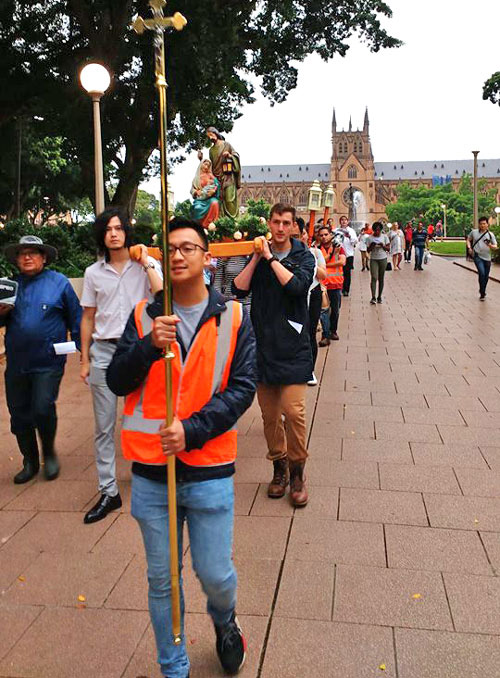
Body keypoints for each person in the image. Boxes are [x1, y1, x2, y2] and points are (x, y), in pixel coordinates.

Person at [107, 217, 256, 678]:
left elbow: (243, 387)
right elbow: (116, 380)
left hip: (209, 468)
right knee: (162, 579)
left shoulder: (234, 317)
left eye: (188, 247)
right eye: (169, 248)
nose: (177, 255)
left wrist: (192, 430)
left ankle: (225, 621)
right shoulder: (143, 317)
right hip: (153, 474)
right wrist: (149, 346)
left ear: (206, 257)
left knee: (215, 574)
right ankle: (174, 666)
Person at [80, 207, 163, 524]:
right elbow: (88, 316)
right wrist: (85, 359)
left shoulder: (142, 265)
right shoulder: (92, 273)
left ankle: (151, 478)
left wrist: (146, 262)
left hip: (137, 350)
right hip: (103, 350)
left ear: (127, 231)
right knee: (104, 426)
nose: (113, 233)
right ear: (101, 235)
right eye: (107, 229)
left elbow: (160, 293)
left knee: (143, 417)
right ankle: (108, 491)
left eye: (119, 228)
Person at [232, 203, 315, 507]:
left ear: (294, 226)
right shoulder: (260, 257)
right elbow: (238, 289)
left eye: (286, 223)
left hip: (293, 348)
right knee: (269, 417)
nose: (280, 228)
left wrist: (270, 258)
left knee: (293, 412)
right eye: (276, 222)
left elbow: (296, 287)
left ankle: (297, 472)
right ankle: (278, 467)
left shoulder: (303, 255)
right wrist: (256, 259)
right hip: (264, 347)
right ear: (269, 222)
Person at [0, 235, 81, 483]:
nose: (27, 257)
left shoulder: (59, 283)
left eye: (33, 252)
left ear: (43, 257)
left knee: (43, 406)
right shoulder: (9, 286)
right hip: (17, 363)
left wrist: (81, 349)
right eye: (22, 253)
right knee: (19, 412)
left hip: (48, 361)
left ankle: (49, 452)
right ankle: (30, 460)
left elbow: (76, 317)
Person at [297, 219, 326, 386]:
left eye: (302, 234)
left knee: (310, 332)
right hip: (295, 294)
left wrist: (309, 264)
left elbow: (323, 275)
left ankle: (309, 370)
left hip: (313, 293)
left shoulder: (315, 252)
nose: (300, 237)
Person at [204, 127, 241, 218]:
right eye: (208, 137)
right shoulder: (211, 150)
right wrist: (201, 159)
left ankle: (233, 222)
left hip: (228, 177)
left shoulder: (226, 145)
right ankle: (223, 223)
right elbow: (211, 165)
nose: (210, 138)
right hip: (217, 178)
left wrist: (229, 155)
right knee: (219, 201)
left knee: (229, 199)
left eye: (211, 135)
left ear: (215, 133)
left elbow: (236, 155)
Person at [317, 226, 346, 344]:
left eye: (326, 234)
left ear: (331, 235)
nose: (324, 237)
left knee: (335, 310)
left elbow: (342, 262)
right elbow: (318, 262)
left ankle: (333, 330)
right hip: (323, 285)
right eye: (321, 235)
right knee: (323, 310)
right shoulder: (318, 249)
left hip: (336, 284)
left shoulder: (339, 248)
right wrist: (332, 256)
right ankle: (326, 335)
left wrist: (325, 265)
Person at [467, 216, 498, 300]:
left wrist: (490, 245)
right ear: (479, 225)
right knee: (482, 273)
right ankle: (482, 292)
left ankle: (482, 290)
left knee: (486, 276)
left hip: (487, 258)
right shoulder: (474, 232)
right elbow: (468, 239)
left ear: (487, 224)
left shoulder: (490, 235)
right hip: (477, 256)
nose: (482, 225)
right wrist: (469, 247)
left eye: (484, 224)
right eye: (481, 224)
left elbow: (495, 246)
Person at [191, 158, 220, 227]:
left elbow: (216, 184)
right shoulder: (196, 178)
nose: (206, 167)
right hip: (200, 200)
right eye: (205, 164)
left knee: (215, 203)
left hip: (209, 198)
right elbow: (192, 189)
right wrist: (196, 192)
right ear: (201, 164)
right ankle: (199, 226)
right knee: (197, 208)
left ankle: (209, 225)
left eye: (208, 165)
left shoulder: (210, 175)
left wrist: (214, 190)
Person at [366, 222, 390, 304]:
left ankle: (379, 296)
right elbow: (368, 250)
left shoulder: (385, 237)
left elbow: (388, 248)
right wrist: (372, 246)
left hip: (383, 258)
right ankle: (373, 297)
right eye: (375, 230)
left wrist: (383, 245)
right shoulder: (369, 238)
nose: (377, 232)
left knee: (381, 278)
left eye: (379, 230)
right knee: (374, 277)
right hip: (374, 259)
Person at [336, 215, 358, 296]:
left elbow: (355, 241)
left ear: (347, 221)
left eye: (345, 220)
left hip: (349, 254)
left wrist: (349, 236)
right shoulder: (336, 230)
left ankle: (346, 289)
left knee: (347, 272)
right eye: (342, 220)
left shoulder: (351, 231)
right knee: (339, 272)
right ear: (340, 221)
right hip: (338, 255)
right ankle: (339, 287)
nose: (344, 221)